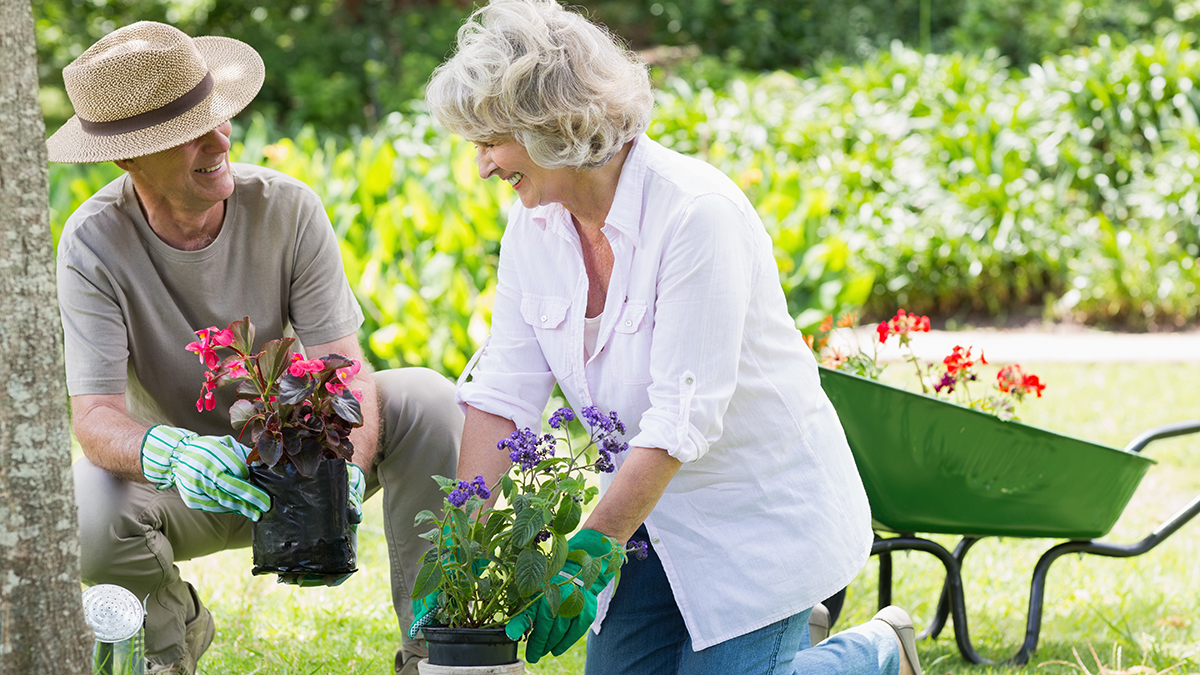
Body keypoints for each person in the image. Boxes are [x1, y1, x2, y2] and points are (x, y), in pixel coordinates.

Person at [417, 1, 924, 674]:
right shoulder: (532, 226)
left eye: (491, 140)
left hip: (755, 518)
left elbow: (681, 420)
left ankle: (879, 651)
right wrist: (463, 543)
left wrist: (585, 562)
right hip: (645, 523)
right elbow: (503, 391)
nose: (483, 165)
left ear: (554, 125)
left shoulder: (695, 214)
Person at [47, 22, 460, 675]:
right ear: (128, 158)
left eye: (215, 115)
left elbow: (345, 370)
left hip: (302, 459)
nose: (221, 140)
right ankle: (169, 639)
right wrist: (171, 453)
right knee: (83, 512)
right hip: (189, 486)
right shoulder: (92, 243)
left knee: (430, 400)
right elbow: (95, 416)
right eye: (188, 133)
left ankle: (437, 652)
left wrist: (344, 471)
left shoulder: (287, 209)